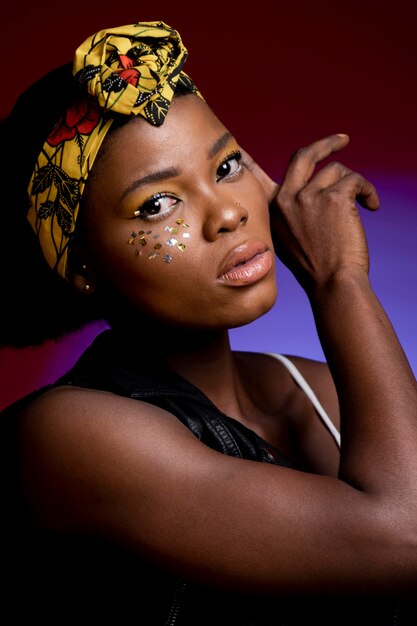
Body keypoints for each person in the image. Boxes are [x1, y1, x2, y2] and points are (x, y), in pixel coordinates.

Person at [1, 19, 416, 626]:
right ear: (83, 264)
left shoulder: (317, 387)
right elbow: (407, 535)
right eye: (157, 204)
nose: (227, 213)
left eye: (225, 167)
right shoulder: (68, 437)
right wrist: (339, 281)